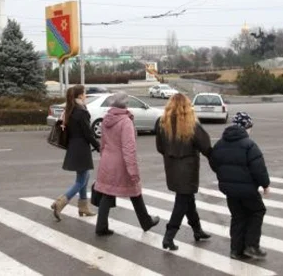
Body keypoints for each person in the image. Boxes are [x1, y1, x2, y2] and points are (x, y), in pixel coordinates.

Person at [94, 92, 160, 236]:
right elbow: (128, 148)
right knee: (135, 191)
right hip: (121, 163)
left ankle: (101, 225)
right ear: (125, 104)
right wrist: (133, 170)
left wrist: (104, 158)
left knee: (107, 192)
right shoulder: (126, 122)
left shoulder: (106, 119)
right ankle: (146, 222)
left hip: (107, 160)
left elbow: (103, 143)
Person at [209, 112, 270, 260]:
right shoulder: (249, 145)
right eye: (250, 127)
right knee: (257, 211)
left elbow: (214, 163)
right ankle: (251, 246)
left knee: (238, 217)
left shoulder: (220, 143)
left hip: (230, 191)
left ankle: (236, 250)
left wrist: (225, 176)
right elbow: (258, 168)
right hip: (248, 190)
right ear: (246, 127)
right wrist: (265, 184)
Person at [156, 93, 212, 251]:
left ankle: (197, 230)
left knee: (187, 199)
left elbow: (160, 147)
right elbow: (206, 147)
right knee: (182, 201)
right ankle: (169, 236)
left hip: (172, 168)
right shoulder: (192, 124)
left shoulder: (162, 123)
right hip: (188, 169)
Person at [51, 85, 100, 221]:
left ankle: (83, 207)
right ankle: (60, 203)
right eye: (84, 93)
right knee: (81, 180)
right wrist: (98, 146)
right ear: (79, 96)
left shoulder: (70, 110)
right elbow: (88, 133)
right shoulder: (81, 112)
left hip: (74, 146)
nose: (85, 95)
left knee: (85, 175)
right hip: (81, 149)